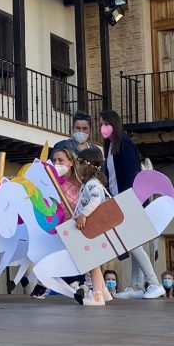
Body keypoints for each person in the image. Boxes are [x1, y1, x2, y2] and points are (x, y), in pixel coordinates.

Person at [103, 110, 164, 300]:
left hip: (129, 200)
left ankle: (154, 283)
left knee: (131, 242)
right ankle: (136, 285)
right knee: (135, 242)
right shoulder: (110, 147)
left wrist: (126, 201)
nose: (102, 127)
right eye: (101, 124)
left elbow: (131, 175)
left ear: (114, 124)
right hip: (119, 199)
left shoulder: (125, 144)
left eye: (106, 123)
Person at [73, 146, 114, 306]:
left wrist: (84, 214)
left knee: (93, 263)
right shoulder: (93, 183)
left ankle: (97, 295)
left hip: (92, 228)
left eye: (79, 163)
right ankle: (104, 292)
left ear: (86, 165)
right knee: (94, 262)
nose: (77, 167)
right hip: (96, 228)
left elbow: (96, 199)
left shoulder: (91, 184)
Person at [52, 146, 87, 295]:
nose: (57, 163)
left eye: (60, 160)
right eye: (54, 160)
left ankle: (83, 285)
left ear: (71, 162)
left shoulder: (82, 182)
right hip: (59, 229)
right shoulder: (52, 183)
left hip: (80, 228)